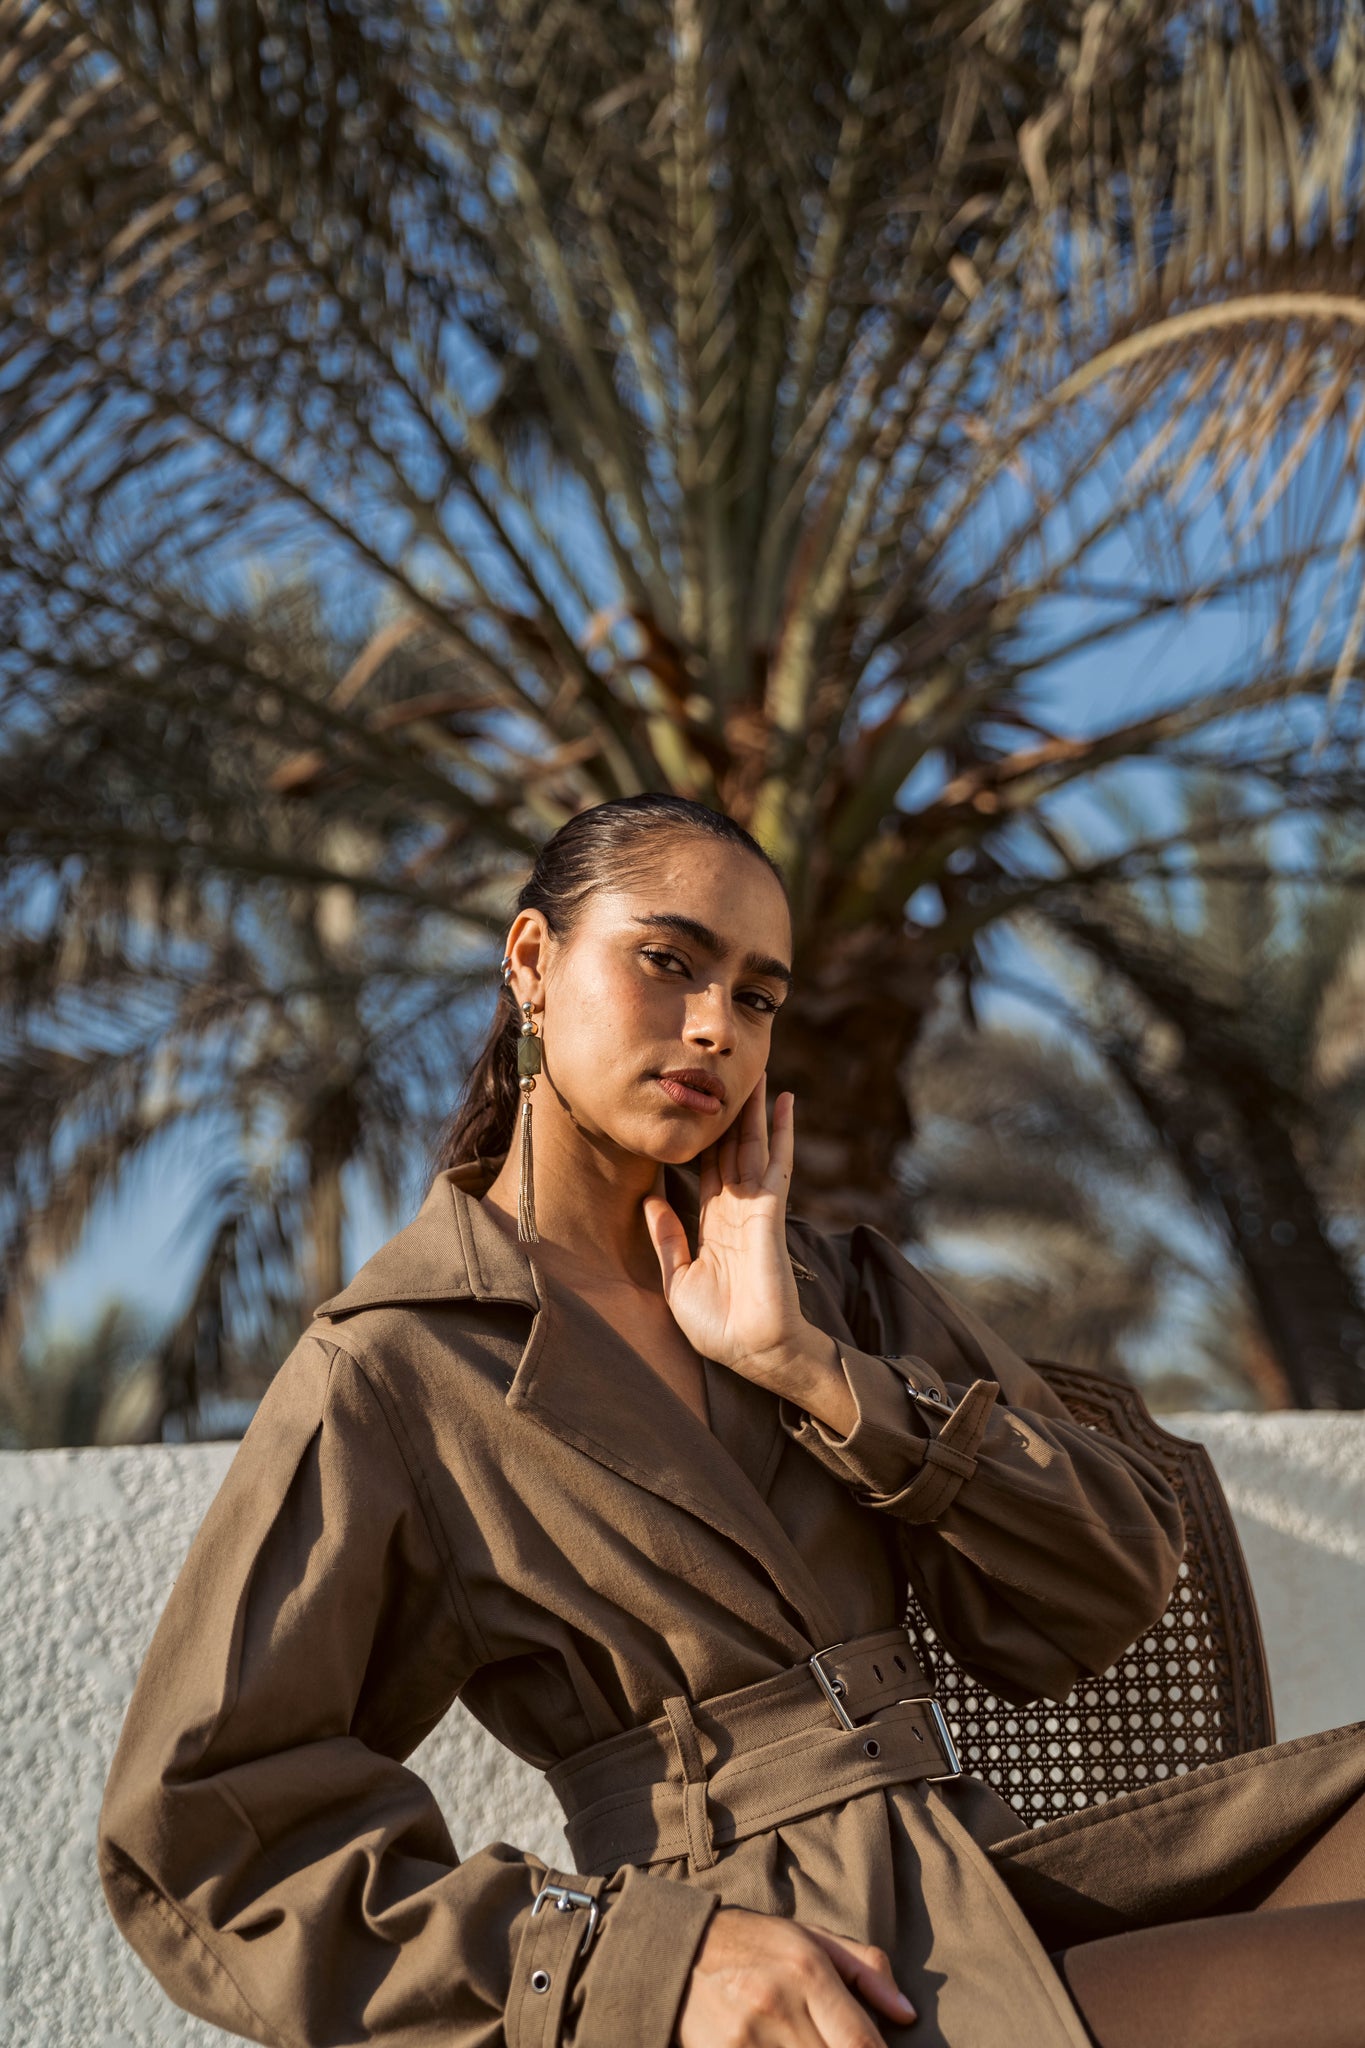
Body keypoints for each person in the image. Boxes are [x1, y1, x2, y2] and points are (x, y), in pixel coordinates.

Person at [98, 793, 1365, 2048]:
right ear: (532, 961)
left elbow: (1106, 1583)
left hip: (989, 1888)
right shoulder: (398, 1364)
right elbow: (200, 1832)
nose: (715, 1025)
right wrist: (628, 1960)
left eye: (758, 995)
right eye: (669, 961)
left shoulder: (833, 1288)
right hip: (774, 1980)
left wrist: (812, 1371)